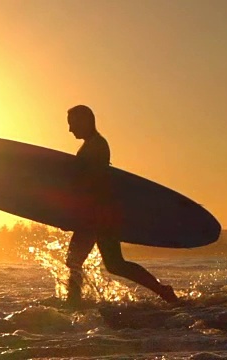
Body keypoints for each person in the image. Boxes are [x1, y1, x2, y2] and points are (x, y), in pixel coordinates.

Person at [65, 105, 178, 307]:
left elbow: (94, 183)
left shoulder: (96, 145)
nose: (70, 129)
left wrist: (75, 214)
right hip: (97, 213)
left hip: (97, 214)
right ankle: (73, 300)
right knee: (105, 263)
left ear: (85, 121)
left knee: (100, 263)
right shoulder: (92, 144)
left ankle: (73, 303)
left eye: (72, 124)